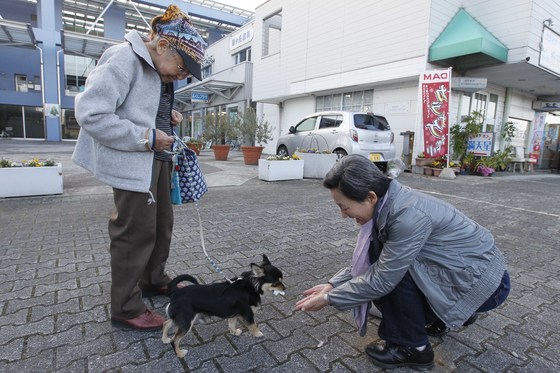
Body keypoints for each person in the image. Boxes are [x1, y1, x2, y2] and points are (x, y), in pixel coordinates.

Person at [295, 154, 510, 370]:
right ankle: (445, 317)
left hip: (487, 287)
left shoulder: (406, 216)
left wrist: (329, 298)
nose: (343, 215)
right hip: (472, 276)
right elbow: (373, 262)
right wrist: (334, 284)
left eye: (344, 207)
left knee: (390, 282)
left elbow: (382, 277)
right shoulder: (390, 201)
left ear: (370, 197)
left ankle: (414, 349)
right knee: (388, 267)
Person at [72, 4, 206, 330]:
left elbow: (142, 106)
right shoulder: (123, 59)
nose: (184, 73)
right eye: (183, 65)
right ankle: (126, 307)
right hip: (133, 162)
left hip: (156, 160)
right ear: (162, 45)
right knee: (133, 234)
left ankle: (153, 279)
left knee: (161, 226)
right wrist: (146, 136)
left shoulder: (158, 68)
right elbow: (91, 113)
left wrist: (168, 115)